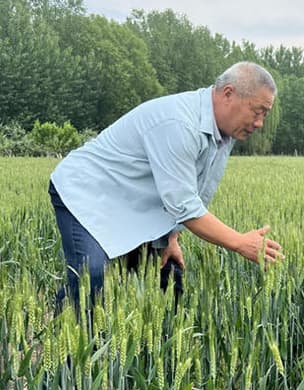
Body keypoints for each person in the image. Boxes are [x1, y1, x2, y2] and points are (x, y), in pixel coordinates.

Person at [48, 61, 283, 310]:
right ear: (228, 94)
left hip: (130, 202)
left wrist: (172, 238)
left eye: (264, 116)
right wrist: (238, 242)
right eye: (257, 112)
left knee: (169, 277)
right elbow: (184, 205)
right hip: (87, 192)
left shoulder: (224, 135)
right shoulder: (180, 124)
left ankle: (157, 344)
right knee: (91, 276)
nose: (259, 124)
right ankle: (69, 338)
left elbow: (196, 192)